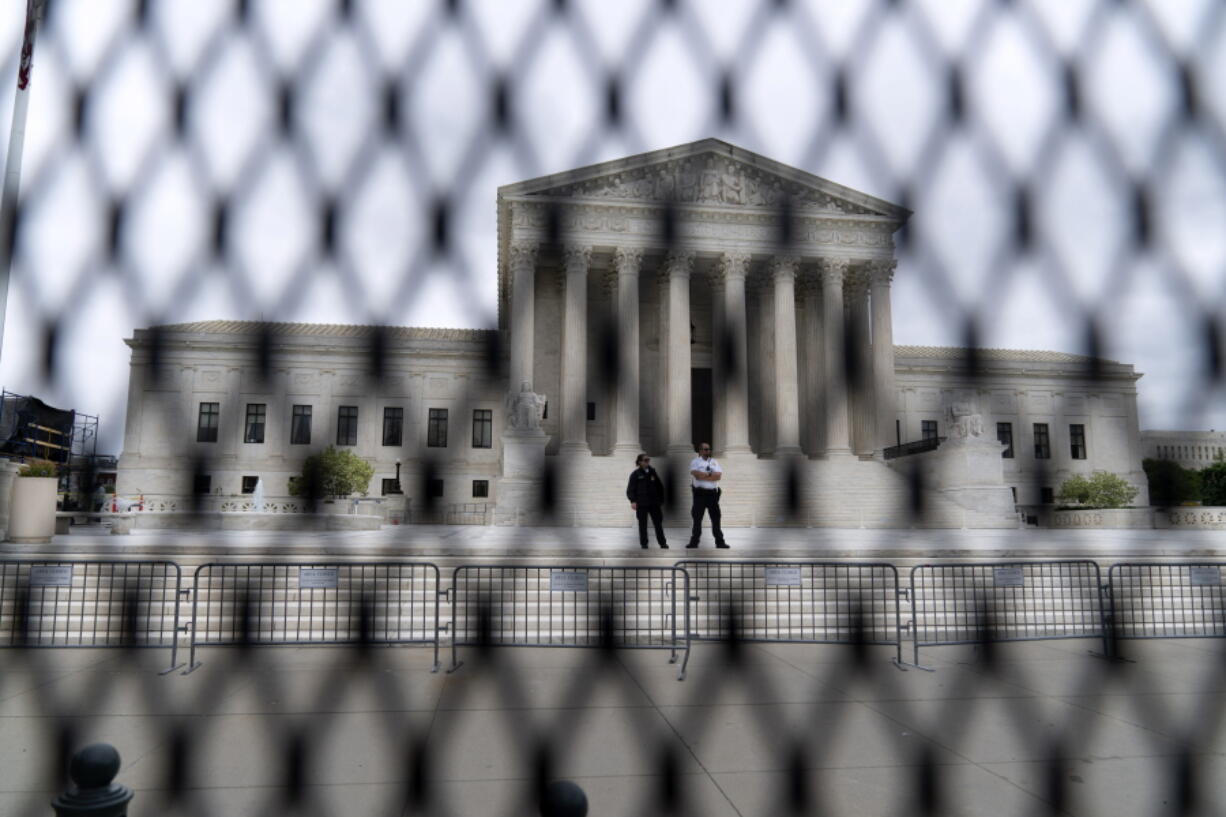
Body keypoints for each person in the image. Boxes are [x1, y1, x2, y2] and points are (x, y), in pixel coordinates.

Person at [687, 443, 728, 548]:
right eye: (705, 449)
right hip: (700, 494)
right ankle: (694, 542)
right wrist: (710, 475)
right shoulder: (695, 462)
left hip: (712, 495)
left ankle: (720, 542)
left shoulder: (714, 462)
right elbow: (696, 475)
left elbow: (718, 476)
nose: (707, 451)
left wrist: (704, 475)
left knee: (716, 518)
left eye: (709, 449)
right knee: (697, 519)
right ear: (700, 451)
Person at [625, 453, 668, 549]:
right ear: (640, 462)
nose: (647, 462)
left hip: (654, 504)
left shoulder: (653, 472)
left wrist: (661, 500)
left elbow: (660, 487)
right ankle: (644, 544)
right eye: (645, 460)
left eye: (648, 460)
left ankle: (662, 543)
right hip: (642, 503)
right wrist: (633, 501)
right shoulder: (635, 474)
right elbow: (630, 489)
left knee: (658, 524)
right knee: (642, 525)